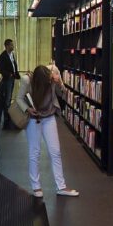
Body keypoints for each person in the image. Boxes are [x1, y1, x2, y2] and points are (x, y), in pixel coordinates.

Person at [21, 64, 79, 198]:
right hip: (34, 118)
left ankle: (61, 186)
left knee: (56, 151)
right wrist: (27, 109)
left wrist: (59, 82)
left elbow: (61, 93)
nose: (49, 82)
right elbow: (19, 98)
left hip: (49, 117)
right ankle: (36, 187)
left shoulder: (52, 76)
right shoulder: (27, 80)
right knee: (34, 152)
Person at [0, 38, 20, 126]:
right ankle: (7, 118)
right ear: (7, 46)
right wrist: (9, 75)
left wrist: (16, 74)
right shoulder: (2, 56)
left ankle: (9, 116)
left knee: (10, 98)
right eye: (11, 45)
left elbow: (14, 65)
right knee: (7, 98)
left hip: (13, 78)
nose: (13, 46)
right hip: (7, 80)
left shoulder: (12, 54)